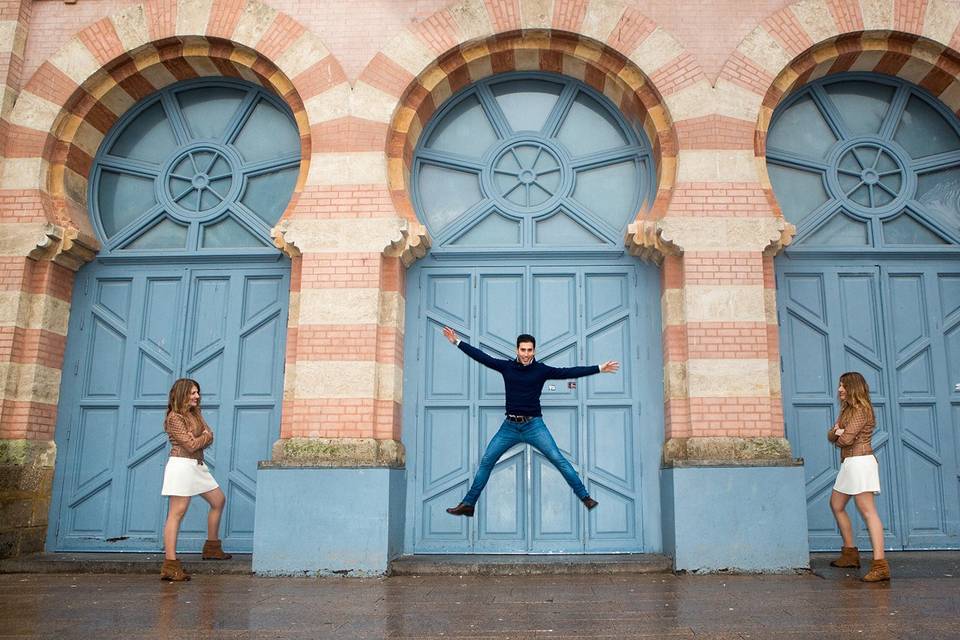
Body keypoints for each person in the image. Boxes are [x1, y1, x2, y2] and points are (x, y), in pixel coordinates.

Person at [442, 326, 619, 517]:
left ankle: (585, 497)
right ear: (517, 350)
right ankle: (468, 504)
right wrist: (457, 342)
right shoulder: (506, 367)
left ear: (534, 351)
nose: (526, 354)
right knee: (486, 461)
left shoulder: (541, 370)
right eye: (523, 350)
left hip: (534, 426)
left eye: (529, 350)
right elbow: (482, 357)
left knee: (558, 459)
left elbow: (569, 371)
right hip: (509, 427)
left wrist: (599, 368)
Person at [159, 378, 232, 582]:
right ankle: (170, 565)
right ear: (182, 393)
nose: (197, 396)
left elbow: (210, 435)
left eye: (197, 392)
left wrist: (203, 438)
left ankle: (211, 547)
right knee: (177, 512)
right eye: (192, 393)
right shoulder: (175, 418)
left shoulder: (195, 414)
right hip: (181, 465)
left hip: (197, 466)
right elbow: (191, 445)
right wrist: (204, 437)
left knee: (218, 500)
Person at [827, 371, 890, 582]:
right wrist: (838, 433)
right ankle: (850, 554)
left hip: (861, 462)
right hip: (850, 464)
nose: (839, 390)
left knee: (868, 511)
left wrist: (839, 432)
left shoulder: (862, 410)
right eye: (839, 386)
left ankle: (880, 565)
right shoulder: (848, 410)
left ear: (853, 387)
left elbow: (845, 439)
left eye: (843, 386)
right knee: (836, 504)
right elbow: (833, 435)